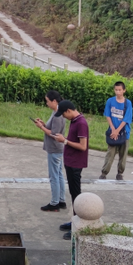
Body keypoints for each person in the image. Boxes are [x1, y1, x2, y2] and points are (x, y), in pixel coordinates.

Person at [53, 101, 89, 237]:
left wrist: (65, 141)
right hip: (70, 161)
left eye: (63, 114)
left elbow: (82, 146)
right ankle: (74, 220)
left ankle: (77, 227)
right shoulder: (75, 121)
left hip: (75, 163)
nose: (63, 116)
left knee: (76, 194)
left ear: (68, 110)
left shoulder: (81, 123)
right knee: (73, 194)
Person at [32, 91, 67, 211]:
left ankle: (54, 203)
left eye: (47, 101)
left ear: (54, 101)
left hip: (54, 148)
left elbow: (54, 134)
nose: (46, 103)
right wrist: (43, 124)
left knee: (54, 176)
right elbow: (51, 128)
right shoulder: (57, 112)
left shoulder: (58, 115)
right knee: (59, 174)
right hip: (57, 148)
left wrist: (41, 127)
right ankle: (61, 200)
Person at [100, 81, 132, 180]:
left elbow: (126, 119)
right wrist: (113, 129)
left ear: (124, 90)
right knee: (110, 153)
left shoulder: (128, 103)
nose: (118, 92)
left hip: (124, 132)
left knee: (123, 155)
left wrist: (117, 130)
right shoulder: (110, 101)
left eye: (120, 90)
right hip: (112, 132)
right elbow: (108, 115)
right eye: (116, 90)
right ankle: (104, 173)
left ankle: (120, 173)